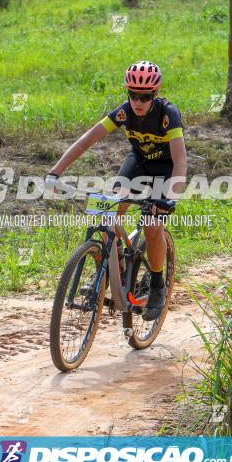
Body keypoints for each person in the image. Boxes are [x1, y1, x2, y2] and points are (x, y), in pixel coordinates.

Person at [46, 60, 187, 321]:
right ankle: (110, 263)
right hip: (139, 164)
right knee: (109, 208)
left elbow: (180, 160)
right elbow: (88, 139)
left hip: (164, 170)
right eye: (132, 95)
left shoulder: (168, 115)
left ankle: (157, 283)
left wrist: (169, 197)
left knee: (151, 223)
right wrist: (55, 172)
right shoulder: (124, 113)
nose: (137, 102)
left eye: (144, 97)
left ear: (154, 95)